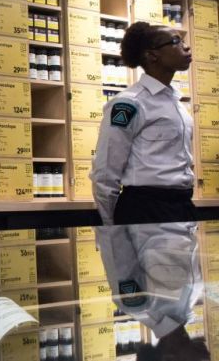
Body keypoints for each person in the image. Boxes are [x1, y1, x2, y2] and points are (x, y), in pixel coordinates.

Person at [91, 22, 208, 359]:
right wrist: (116, 230)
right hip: (144, 209)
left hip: (180, 208)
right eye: (176, 41)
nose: (186, 47)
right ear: (152, 55)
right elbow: (105, 175)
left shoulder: (176, 103)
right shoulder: (129, 104)